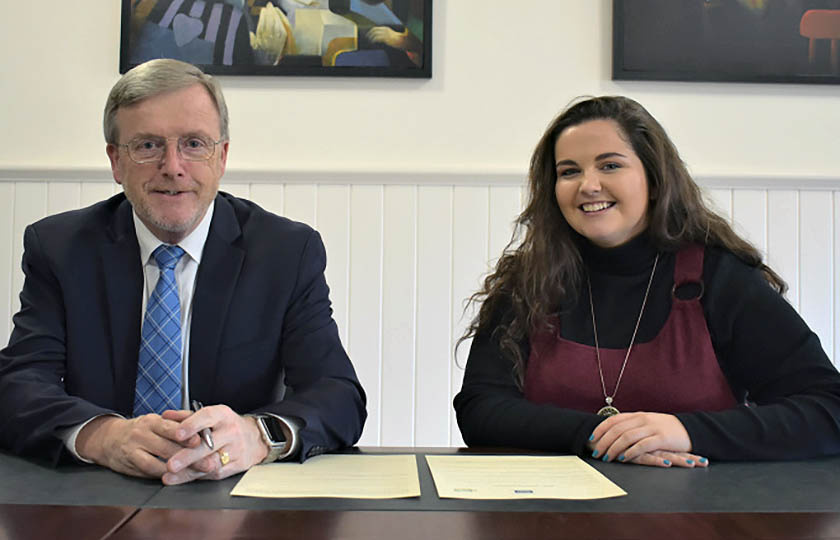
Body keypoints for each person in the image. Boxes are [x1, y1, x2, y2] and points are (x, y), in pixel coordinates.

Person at [0, 58, 366, 484]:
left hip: (235, 494)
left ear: (222, 157)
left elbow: (337, 394)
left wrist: (258, 435)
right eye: (148, 145)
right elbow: (18, 385)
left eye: (194, 144)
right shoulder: (60, 248)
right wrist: (105, 436)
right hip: (98, 489)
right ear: (116, 161)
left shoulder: (285, 251)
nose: (173, 166)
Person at [454, 96, 840, 468]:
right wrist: (601, 435)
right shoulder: (526, 282)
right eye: (569, 171)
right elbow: (481, 408)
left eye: (610, 166)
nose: (588, 185)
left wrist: (684, 430)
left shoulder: (722, 278)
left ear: (654, 180)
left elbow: (828, 409)